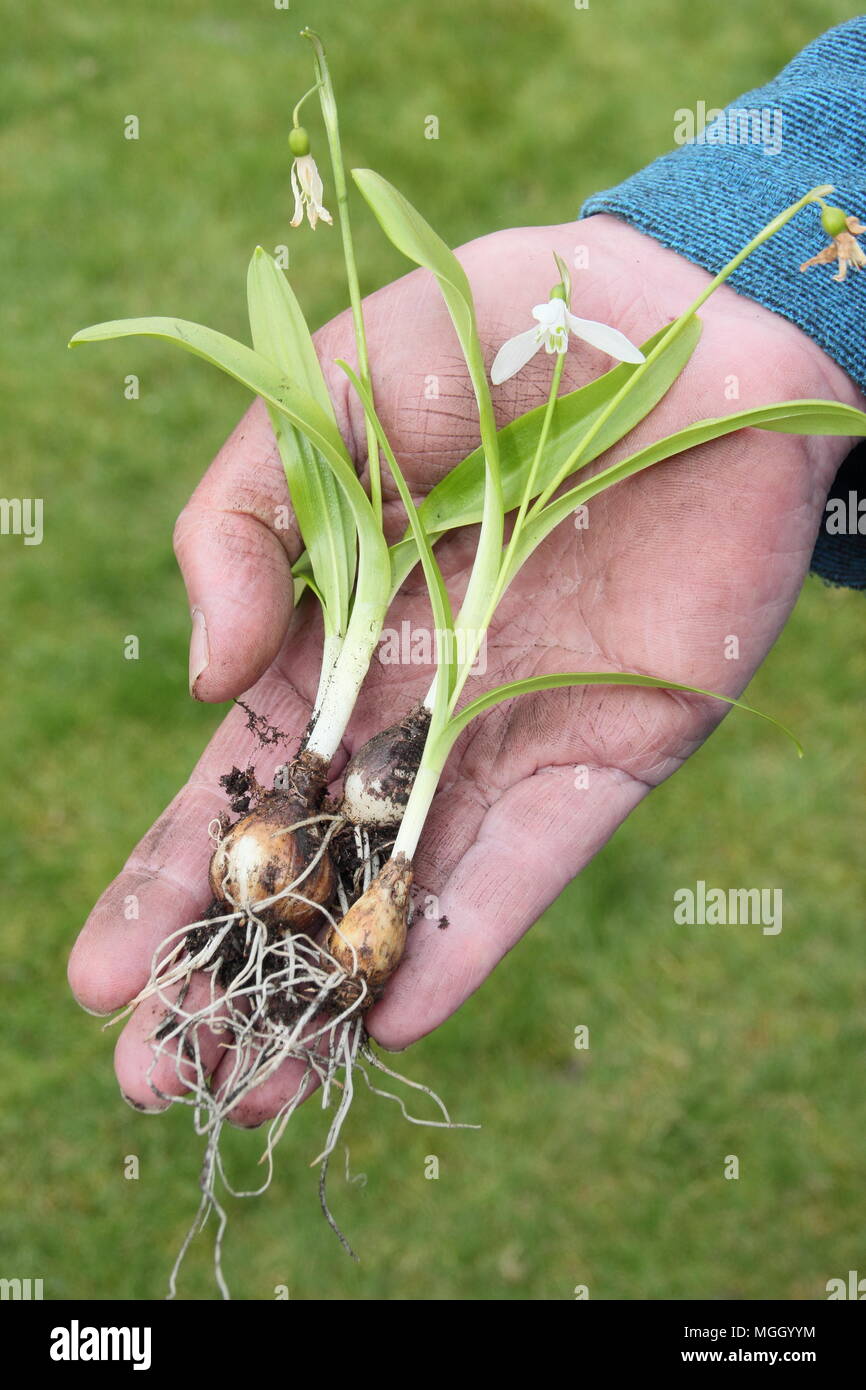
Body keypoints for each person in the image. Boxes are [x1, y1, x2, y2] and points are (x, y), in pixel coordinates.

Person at [68, 19, 866, 1122]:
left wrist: (775, 290)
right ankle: (327, 856)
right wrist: (778, 283)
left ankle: (341, 870)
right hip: (338, 794)